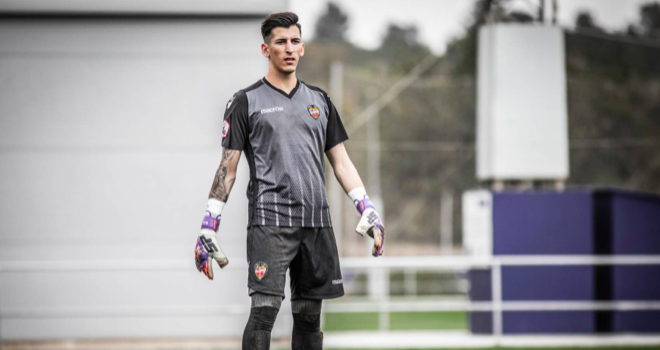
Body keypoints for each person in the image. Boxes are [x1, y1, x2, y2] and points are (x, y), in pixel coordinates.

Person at [194, 12, 385, 350]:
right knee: (264, 313)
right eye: (280, 42)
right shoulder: (245, 101)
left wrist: (365, 205)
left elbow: (341, 162)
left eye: (295, 41)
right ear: (265, 49)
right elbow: (229, 167)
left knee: (310, 317)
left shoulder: (320, 101)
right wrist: (209, 224)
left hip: (316, 222)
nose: (289, 48)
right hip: (271, 223)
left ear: (303, 48)